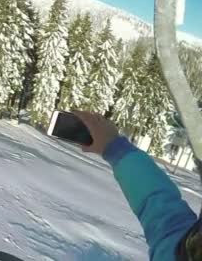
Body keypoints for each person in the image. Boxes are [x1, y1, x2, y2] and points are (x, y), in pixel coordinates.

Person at [73, 111, 201, 261]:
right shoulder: (186, 249)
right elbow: (169, 225)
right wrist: (113, 147)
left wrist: (115, 148)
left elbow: (166, 222)